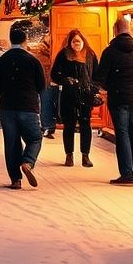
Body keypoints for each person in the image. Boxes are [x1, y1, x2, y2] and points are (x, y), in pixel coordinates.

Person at [95, 15, 133, 186]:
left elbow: (101, 77)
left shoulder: (110, 51)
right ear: (130, 30)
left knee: (122, 133)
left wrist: (108, 87)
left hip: (119, 97)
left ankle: (127, 174)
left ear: (115, 30)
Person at [0, 24, 45, 189]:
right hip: (28, 106)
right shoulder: (33, 60)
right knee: (35, 138)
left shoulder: (1, 61)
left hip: (8, 107)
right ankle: (28, 162)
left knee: (11, 143)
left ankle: (15, 180)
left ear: (11, 40)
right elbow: (41, 86)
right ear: (25, 41)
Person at [51, 28, 99, 167]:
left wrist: (93, 89)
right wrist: (65, 80)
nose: (76, 43)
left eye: (78, 40)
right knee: (69, 126)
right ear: (70, 42)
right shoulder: (64, 54)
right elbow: (55, 74)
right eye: (74, 41)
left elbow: (96, 75)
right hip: (68, 95)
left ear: (83, 41)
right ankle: (69, 155)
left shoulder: (90, 54)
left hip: (85, 95)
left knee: (86, 125)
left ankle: (85, 155)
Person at [35, 37, 59, 140]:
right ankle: (47, 126)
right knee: (46, 104)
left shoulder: (58, 54)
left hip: (56, 83)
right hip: (46, 83)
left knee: (55, 104)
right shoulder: (40, 57)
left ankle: (51, 125)